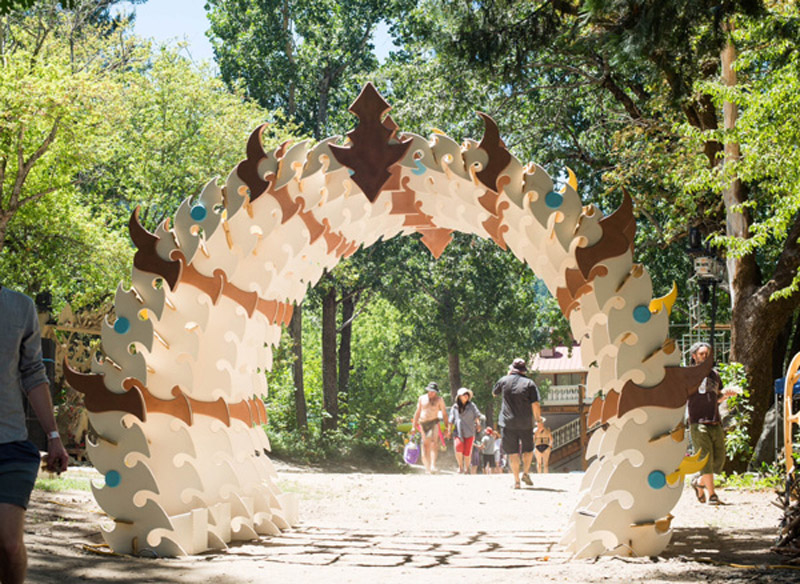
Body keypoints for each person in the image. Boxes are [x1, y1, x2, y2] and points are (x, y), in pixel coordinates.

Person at [1, 286, 69, 584]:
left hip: (11, 445)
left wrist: (53, 436)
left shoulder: (20, 307)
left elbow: (33, 373)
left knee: (10, 545)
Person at [687, 341, 737, 505]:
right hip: (698, 422)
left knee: (719, 460)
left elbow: (717, 398)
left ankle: (698, 482)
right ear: (694, 356)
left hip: (715, 420)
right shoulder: (688, 375)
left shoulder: (715, 375)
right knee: (705, 459)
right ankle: (712, 495)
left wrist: (726, 395)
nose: (705, 357)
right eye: (702, 354)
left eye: (707, 354)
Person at [493, 358, 542, 489]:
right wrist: (539, 421)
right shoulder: (530, 383)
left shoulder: (504, 380)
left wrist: (507, 377)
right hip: (526, 423)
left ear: (512, 369)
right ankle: (525, 473)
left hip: (508, 423)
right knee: (528, 450)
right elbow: (535, 404)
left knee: (513, 453)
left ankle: (516, 481)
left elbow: (494, 393)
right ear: (524, 370)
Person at [412, 382, 447, 474]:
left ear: (436, 392)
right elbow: (417, 412)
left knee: (434, 443)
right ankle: (427, 467)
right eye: (430, 391)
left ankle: (433, 465)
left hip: (434, 422)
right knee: (425, 445)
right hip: (423, 423)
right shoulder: (422, 399)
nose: (431, 393)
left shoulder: (439, 400)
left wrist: (446, 427)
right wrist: (413, 426)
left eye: (433, 392)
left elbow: (444, 413)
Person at [447, 387, 481, 474]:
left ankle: (467, 468)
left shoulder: (472, 406)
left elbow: (477, 415)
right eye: (464, 394)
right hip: (458, 431)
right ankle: (461, 467)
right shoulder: (455, 407)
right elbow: (450, 420)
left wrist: (478, 424)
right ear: (459, 397)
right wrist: (449, 431)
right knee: (458, 448)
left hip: (469, 431)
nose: (466, 396)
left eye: (467, 394)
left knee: (467, 451)